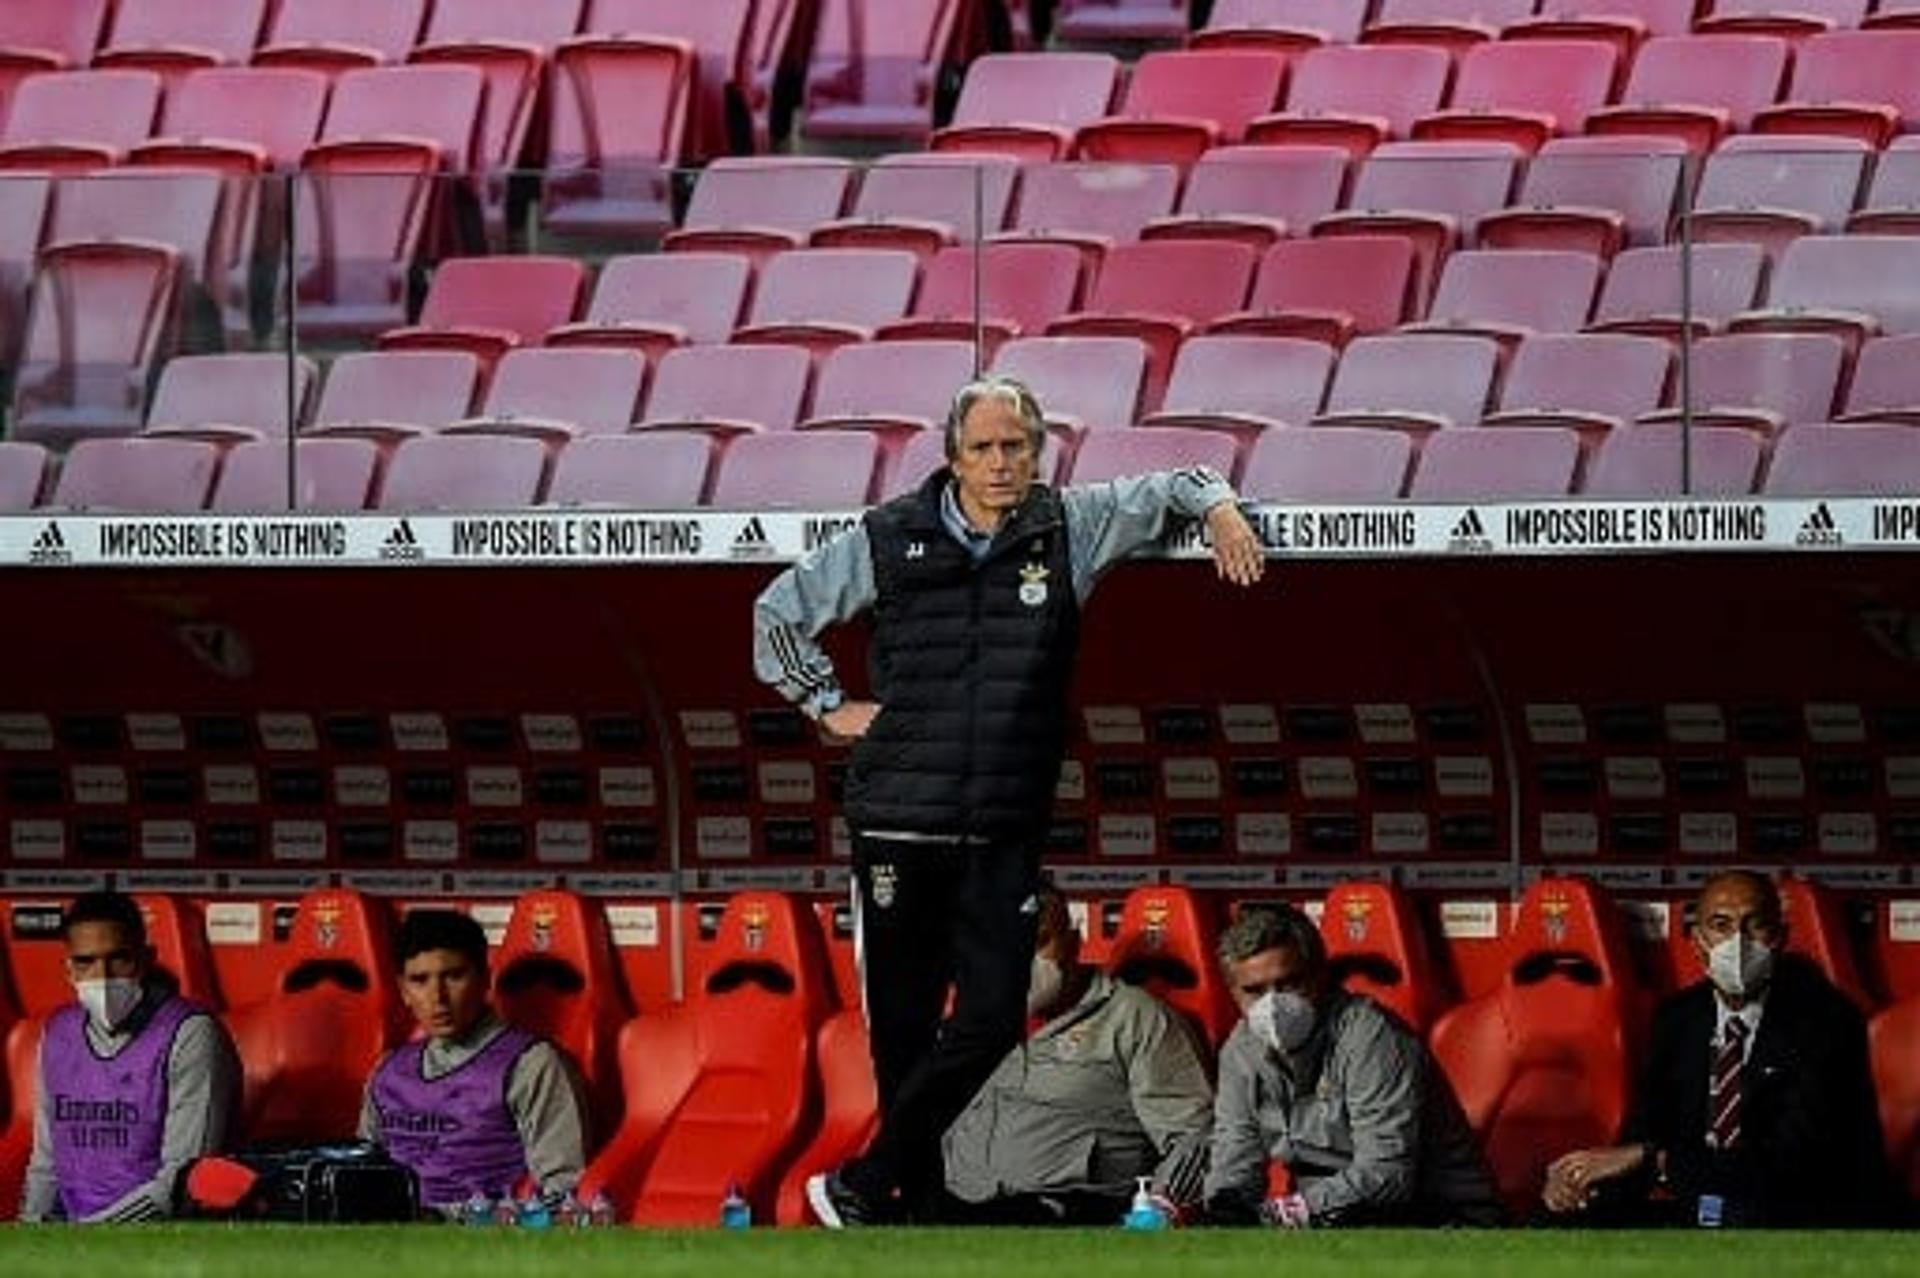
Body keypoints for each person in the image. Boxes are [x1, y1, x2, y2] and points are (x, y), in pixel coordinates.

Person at [753, 375, 1264, 1225]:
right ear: (952, 457)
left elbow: (1182, 481)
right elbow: (776, 615)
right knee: (903, 1035)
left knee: (992, 1021)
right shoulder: (887, 537)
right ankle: (904, 1206)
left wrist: (1222, 512)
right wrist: (827, 704)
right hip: (896, 824)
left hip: (1003, 827)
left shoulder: (1071, 524)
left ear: (1040, 450)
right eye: (984, 448)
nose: (1001, 463)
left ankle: (865, 1180)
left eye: (1016, 446)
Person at [1542, 870, 1893, 1227]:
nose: (1737, 942)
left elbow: (1794, 1162)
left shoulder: (1826, 1020)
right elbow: (1641, 1136)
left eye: (1754, 926)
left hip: (1798, 1213)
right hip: (1698, 1203)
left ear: (1780, 938)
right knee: (1559, 1223)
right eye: (1721, 926)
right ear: (1697, 943)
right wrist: (1583, 1182)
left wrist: (1655, 1159)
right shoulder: (1677, 1018)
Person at [1203, 905, 1500, 1228]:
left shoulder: (1372, 1035)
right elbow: (1235, 1154)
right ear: (1233, 992)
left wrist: (1285, 1213)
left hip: (1438, 1215)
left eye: (1288, 984)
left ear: (1319, 977)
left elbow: (1387, 1176)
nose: (1271, 1005)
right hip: (1329, 1220)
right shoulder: (1240, 1049)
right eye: (1254, 991)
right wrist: (1226, 1208)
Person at [937, 883, 1214, 1223]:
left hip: (1062, 1216)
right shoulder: (971, 1020)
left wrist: (1157, 1209)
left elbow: (1193, 1136)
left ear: (1073, 943)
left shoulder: (1134, 1017)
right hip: (949, 1206)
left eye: (1038, 943)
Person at [19, 891, 241, 1223]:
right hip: (70, 1244)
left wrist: (87, 1238)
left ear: (146, 958)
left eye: (118, 959)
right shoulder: (56, 1034)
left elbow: (184, 1181)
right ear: (68, 971)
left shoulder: (192, 1034)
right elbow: (46, 1165)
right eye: (85, 962)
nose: (102, 975)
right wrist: (31, 1234)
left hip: (163, 1242)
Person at [360, 909, 591, 1216]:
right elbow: (358, 1176)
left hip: (485, 1244)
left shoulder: (532, 1064)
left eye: (454, 976)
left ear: (485, 979)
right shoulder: (388, 1072)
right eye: (420, 980)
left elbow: (562, 1190)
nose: (437, 996)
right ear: (403, 990)